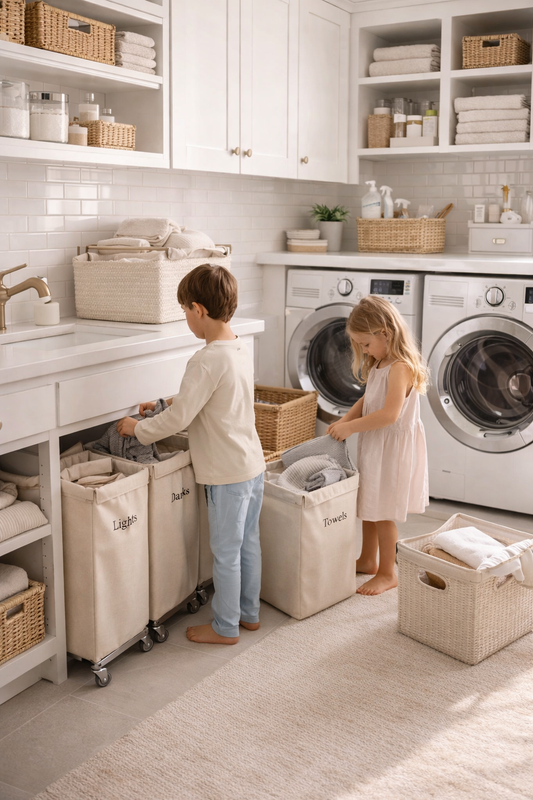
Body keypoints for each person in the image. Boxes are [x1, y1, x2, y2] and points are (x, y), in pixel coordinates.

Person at [117, 264, 265, 644]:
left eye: (185, 310)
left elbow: (179, 419)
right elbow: (209, 398)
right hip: (252, 465)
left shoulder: (204, 359)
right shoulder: (238, 347)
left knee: (225, 553)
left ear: (198, 309)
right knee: (248, 543)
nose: (186, 317)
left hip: (226, 474)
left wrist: (138, 428)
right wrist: (165, 403)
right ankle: (248, 614)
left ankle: (225, 627)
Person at [327, 295, 429, 596]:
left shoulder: (400, 367)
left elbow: (389, 414)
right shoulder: (379, 363)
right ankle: (367, 559)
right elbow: (367, 399)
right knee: (369, 504)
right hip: (376, 445)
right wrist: (345, 419)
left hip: (392, 450)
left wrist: (351, 428)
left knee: (383, 511)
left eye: (366, 343)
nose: (363, 350)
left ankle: (387, 573)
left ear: (385, 333)